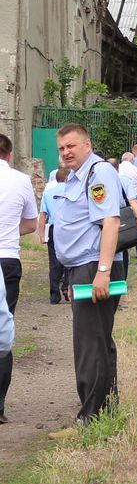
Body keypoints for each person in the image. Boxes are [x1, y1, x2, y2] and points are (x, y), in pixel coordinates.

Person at [53, 123, 124, 426]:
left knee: (89, 345)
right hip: (83, 268)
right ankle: (104, 412)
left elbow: (110, 222)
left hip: (95, 266)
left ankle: (91, 418)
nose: (66, 152)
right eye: (61, 148)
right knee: (97, 340)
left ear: (87, 144)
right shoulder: (76, 177)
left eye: (71, 146)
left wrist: (102, 273)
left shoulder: (98, 174)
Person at [0, 134, 37, 424]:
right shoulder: (22, 181)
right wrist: (11, 232)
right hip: (7, 258)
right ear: (10, 154)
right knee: (3, 330)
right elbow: (31, 223)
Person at [37, 168, 69, 304]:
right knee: (70, 258)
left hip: (54, 228)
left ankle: (54, 295)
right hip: (69, 227)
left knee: (54, 261)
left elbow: (43, 215)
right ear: (67, 178)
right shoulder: (71, 191)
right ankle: (67, 287)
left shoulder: (48, 193)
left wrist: (41, 235)